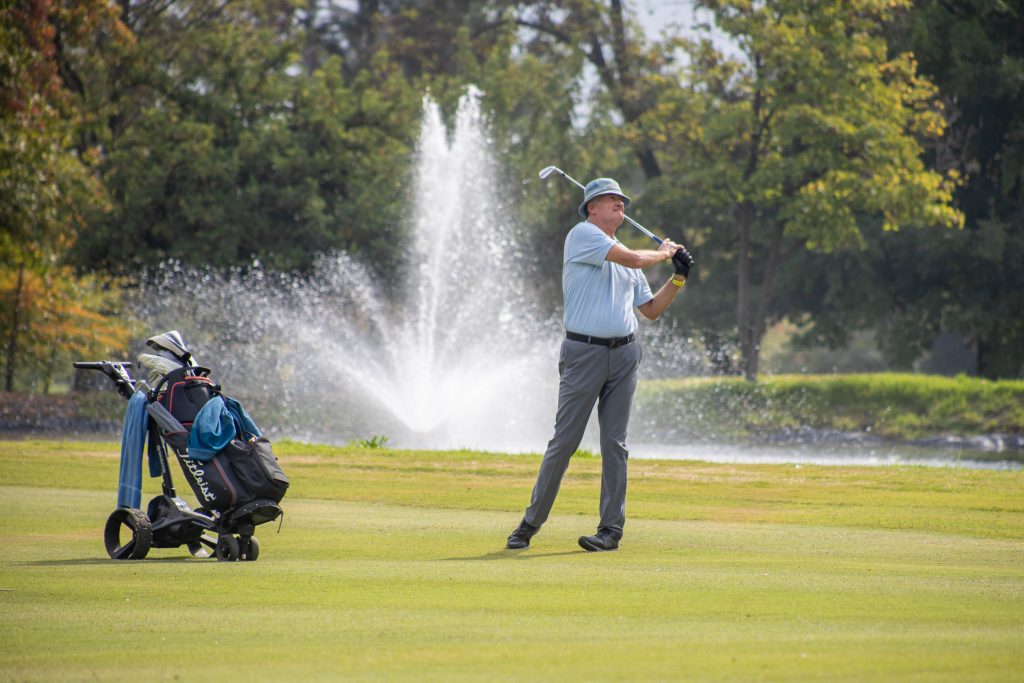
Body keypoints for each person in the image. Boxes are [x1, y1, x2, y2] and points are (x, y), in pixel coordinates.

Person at [506, 177, 693, 552]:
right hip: (584, 354)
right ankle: (530, 524)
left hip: (624, 355)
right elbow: (635, 258)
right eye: (611, 200)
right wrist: (663, 253)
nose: (619, 204)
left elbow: (651, 311)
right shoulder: (582, 235)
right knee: (565, 441)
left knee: (615, 444)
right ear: (592, 207)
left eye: (622, 200)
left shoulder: (627, 258)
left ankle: (610, 531)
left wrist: (678, 277)